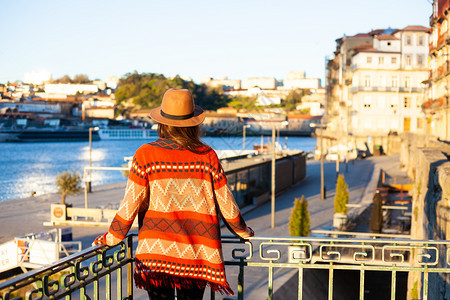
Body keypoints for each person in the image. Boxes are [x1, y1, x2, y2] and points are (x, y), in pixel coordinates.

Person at [93, 88, 254, 300]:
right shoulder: (208, 156)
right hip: (197, 254)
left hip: (156, 254)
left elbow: (130, 204)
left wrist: (112, 238)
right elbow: (227, 204)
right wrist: (242, 231)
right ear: (194, 122)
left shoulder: (146, 154)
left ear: (162, 122)